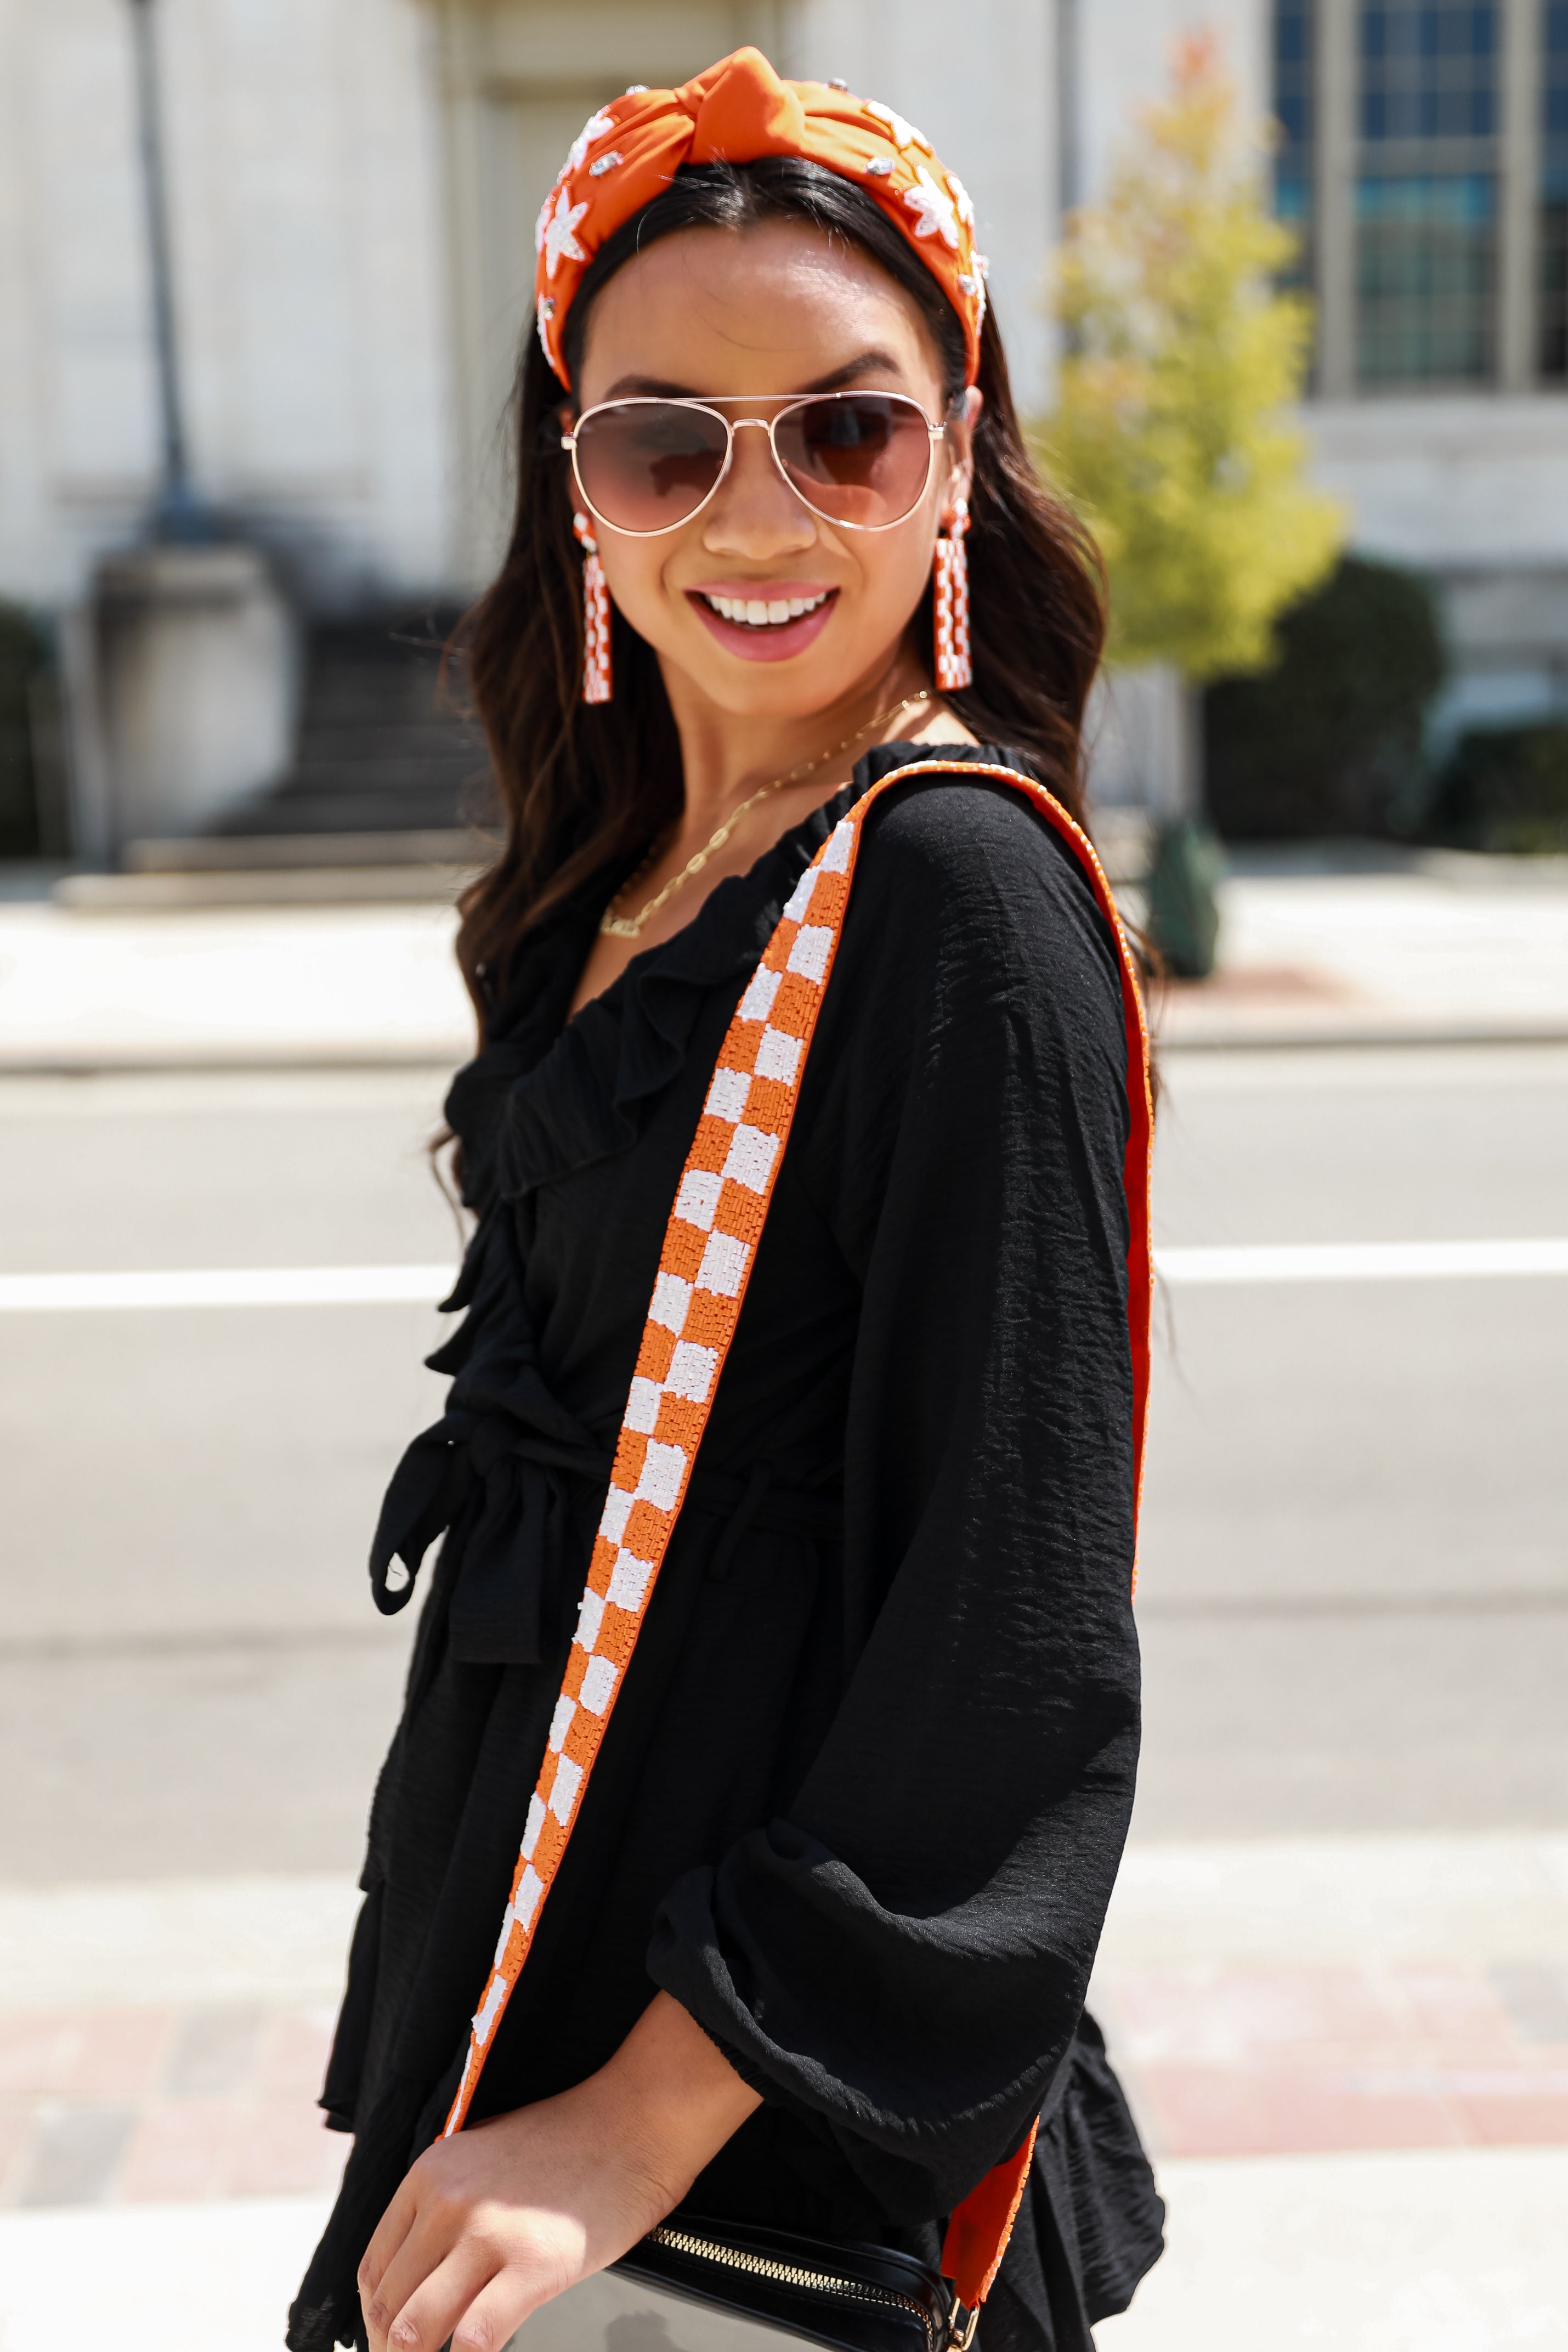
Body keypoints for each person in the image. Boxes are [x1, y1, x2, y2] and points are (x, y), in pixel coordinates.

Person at [288, 48, 1163, 2352]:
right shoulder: (618, 875)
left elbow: (1013, 1628)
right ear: (573, 488)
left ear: (955, 452)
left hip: (725, 2120)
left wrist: (638, 2117)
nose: (754, 518)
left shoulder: (954, 898)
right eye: (664, 438)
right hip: (533, 1992)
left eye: (846, 430)